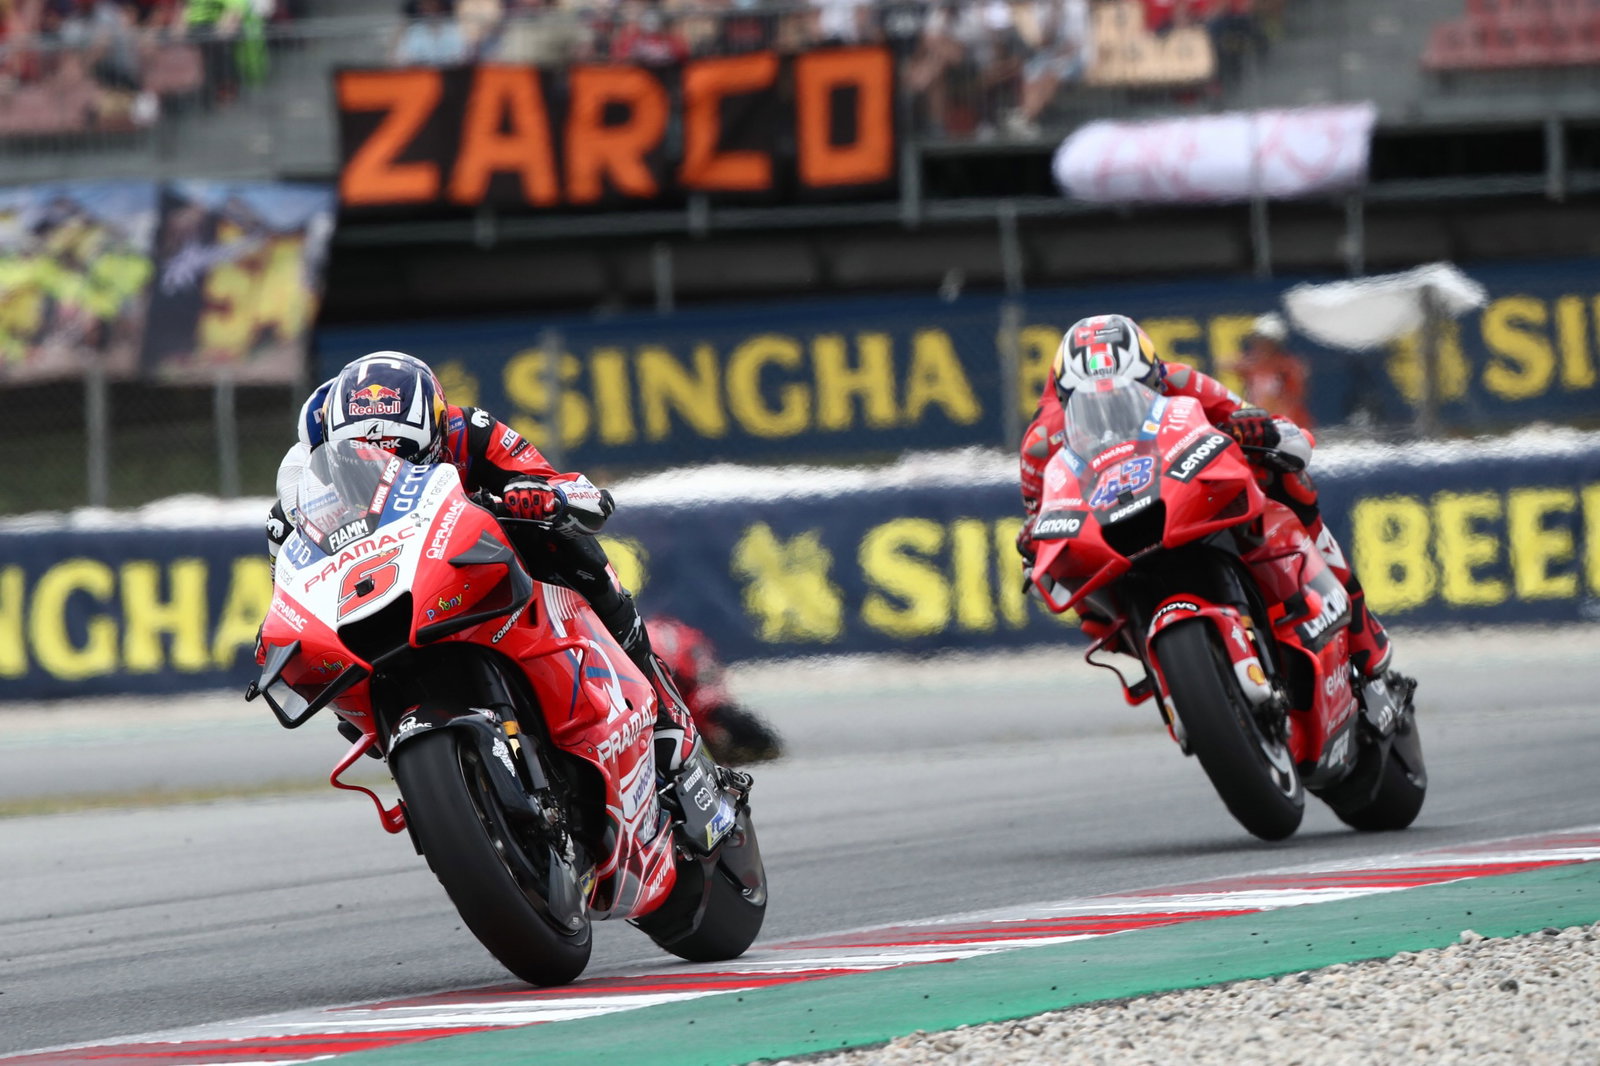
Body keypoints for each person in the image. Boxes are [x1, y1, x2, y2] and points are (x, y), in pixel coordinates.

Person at [265, 351, 700, 770]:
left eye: (405, 455)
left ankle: (665, 712)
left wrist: (546, 497)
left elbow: (580, 493)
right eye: (371, 458)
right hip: (386, 591)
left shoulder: (468, 428)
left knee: (568, 544)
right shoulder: (304, 484)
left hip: (479, 560)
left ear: (437, 429)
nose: (389, 465)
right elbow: (288, 584)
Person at [1016, 313, 1404, 685]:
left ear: (1154, 377)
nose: (1111, 409)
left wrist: (1258, 429)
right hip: (1112, 529)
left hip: (1185, 494)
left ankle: (1358, 620)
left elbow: (1279, 434)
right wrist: (1033, 542)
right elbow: (1042, 531)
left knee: (1287, 477)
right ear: (1066, 401)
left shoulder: (1182, 379)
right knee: (1084, 603)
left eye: (1128, 393)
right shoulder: (1040, 443)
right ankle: (1168, 671)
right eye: (1094, 403)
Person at [646, 615, 783, 765]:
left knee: (714, 709)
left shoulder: (683, 646)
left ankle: (754, 744)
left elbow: (706, 680)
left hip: (685, 685)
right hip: (657, 695)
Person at [1235, 312, 1312, 429]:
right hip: (1262, 424)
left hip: (1289, 424)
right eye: (1257, 340)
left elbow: (1293, 398)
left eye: (1264, 341)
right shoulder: (1252, 366)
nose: (1258, 345)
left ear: (1274, 343)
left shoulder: (1287, 367)